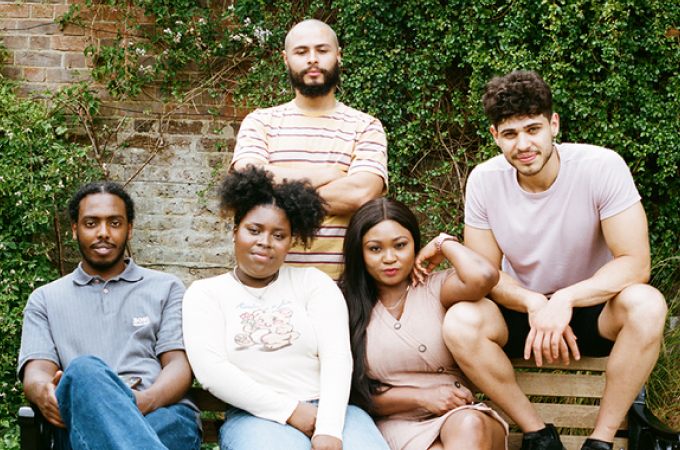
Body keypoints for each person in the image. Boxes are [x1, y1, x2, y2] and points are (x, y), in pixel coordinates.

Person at [436, 70, 667, 450]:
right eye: (510, 134)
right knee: (461, 320)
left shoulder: (601, 167)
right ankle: (538, 435)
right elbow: (484, 274)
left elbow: (635, 263)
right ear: (495, 136)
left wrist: (565, 299)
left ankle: (602, 440)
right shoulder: (483, 180)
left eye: (533, 129)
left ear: (553, 124)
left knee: (647, 304)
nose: (523, 144)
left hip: (594, 309)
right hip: (523, 311)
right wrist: (534, 303)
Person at [182, 167, 390, 450]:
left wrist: (329, 429)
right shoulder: (206, 294)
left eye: (279, 235)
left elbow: (337, 357)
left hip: (334, 411)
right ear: (234, 232)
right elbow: (211, 371)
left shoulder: (313, 283)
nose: (264, 242)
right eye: (254, 230)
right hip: (256, 418)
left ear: (291, 241)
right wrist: (291, 410)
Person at [18, 182, 201, 450]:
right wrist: (42, 392)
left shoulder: (166, 288)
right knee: (83, 370)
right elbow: (37, 372)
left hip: (160, 414)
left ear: (130, 229)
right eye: (91, 223)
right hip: (82, 418)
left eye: (114, 223)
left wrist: (146, 400)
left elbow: (178, 365)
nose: (103, 233)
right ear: (74, 229)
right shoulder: (45, 299)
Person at [340, 198, 508, 450]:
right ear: (359, 252)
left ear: (415, 245)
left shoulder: (437, 287)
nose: (389, 258)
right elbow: (352, 393)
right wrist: (423, 397)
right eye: (375, 249)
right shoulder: (344, 303)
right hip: (395, 424)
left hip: (461, 417)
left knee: (470, 425)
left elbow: (484, 275)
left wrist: (444, 243)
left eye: (400, 245)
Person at [231, 18, 388, 280]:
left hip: (343, 287)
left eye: (322, 50)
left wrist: (277, 193)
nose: (312, 59)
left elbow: (361, 192)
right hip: (268, 282)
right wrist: (331, 174)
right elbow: (248, 181)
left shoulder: (365, 126)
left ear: (338, 56)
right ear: (286, 58)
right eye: (301, 51)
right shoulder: (260, 122)